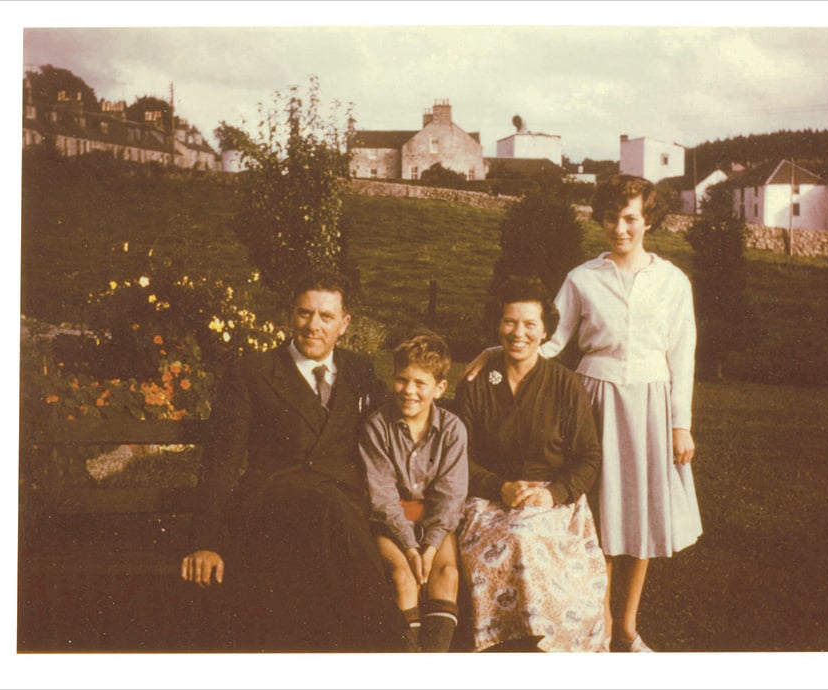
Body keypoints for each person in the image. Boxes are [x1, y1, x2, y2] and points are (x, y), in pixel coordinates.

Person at [465, 174, 702, 652]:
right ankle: (602, 623)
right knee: (601, 513)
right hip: (596, 398)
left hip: (652, 403)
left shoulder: (673, 281)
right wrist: (496, 350)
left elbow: (683, 354)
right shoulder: (583, 278)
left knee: (641, 515)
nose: (621, 228)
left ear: (648, 220)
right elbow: (546, 339)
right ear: (601, 219)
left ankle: (629, 626)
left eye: (631, 218)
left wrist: (681, 424)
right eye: (612, 218)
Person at [179, 271, 412, 652]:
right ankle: (394, 646)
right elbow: (220, 462)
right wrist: (206, 541)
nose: (313, 326)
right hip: (274, 507)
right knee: (327, 506)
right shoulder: (252, 372)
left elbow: (402, 423)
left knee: (331, 522)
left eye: (326, 317)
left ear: (344, 324)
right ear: (291, 316)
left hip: (341, 518)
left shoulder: (359, 371)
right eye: (305, 314)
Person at [454, 277, 607, 652]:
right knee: (514, 539)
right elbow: (459, 458)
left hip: (552, 501)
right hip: (489, 498)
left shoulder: (565, 385)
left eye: (529, 324)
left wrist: (554, 494)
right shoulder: (479, 381)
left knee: (531, 540)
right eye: (509, 322)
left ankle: (545, 648)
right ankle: (506, 644)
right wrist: (498, 487)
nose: (517, 332)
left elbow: (589, 457)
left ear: (545, 332)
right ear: (498, 326)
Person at [359, 331, 468, 652]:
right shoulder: (377, 427)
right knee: (403, 576)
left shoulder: (452, 430)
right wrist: (409, 547)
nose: (409, 391)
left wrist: (430, 548)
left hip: (432, 517)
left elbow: (450, 497)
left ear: (439, 388)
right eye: (402, 380)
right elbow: (382, 498)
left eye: (421, 384)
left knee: (446, 573)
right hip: (389, 519)